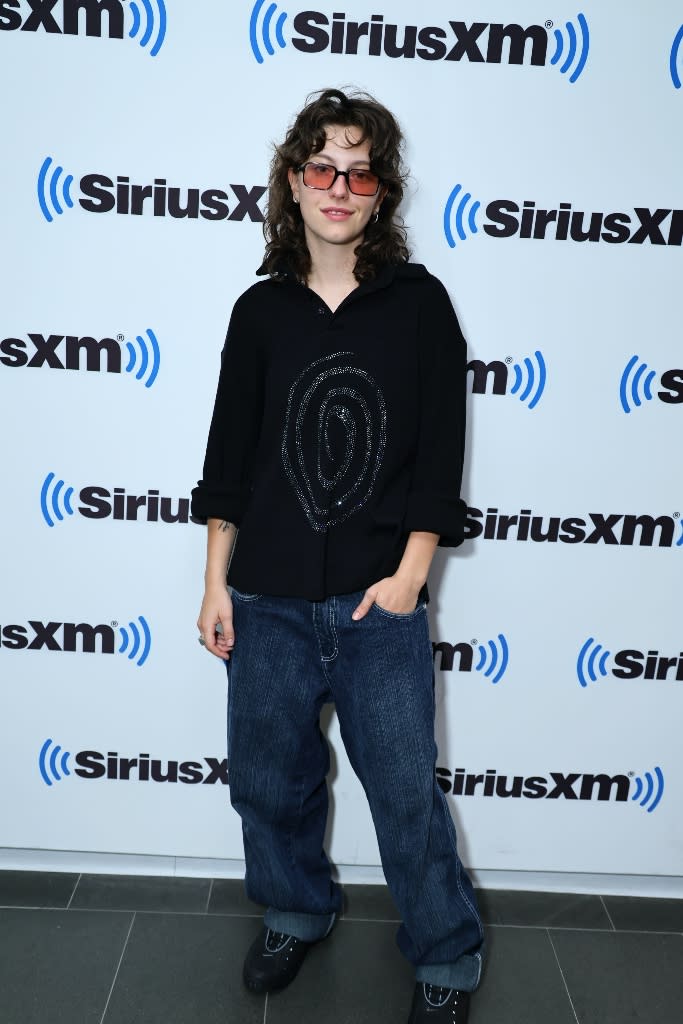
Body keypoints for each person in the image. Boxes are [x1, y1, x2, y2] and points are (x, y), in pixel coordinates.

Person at [191, 87, 483, 1024]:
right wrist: (214, 585)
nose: (339, 187)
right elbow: (226, 460)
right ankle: (296, 909)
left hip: (376, 605)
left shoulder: (419, 304)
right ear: (293, 180)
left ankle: (445, 953)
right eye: (322, 167)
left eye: (360, 172)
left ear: (380, 192)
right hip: (265, 600)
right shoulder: (260, 310)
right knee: (267, 783)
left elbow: (439, 456)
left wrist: (407, 581)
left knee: (404, 795)